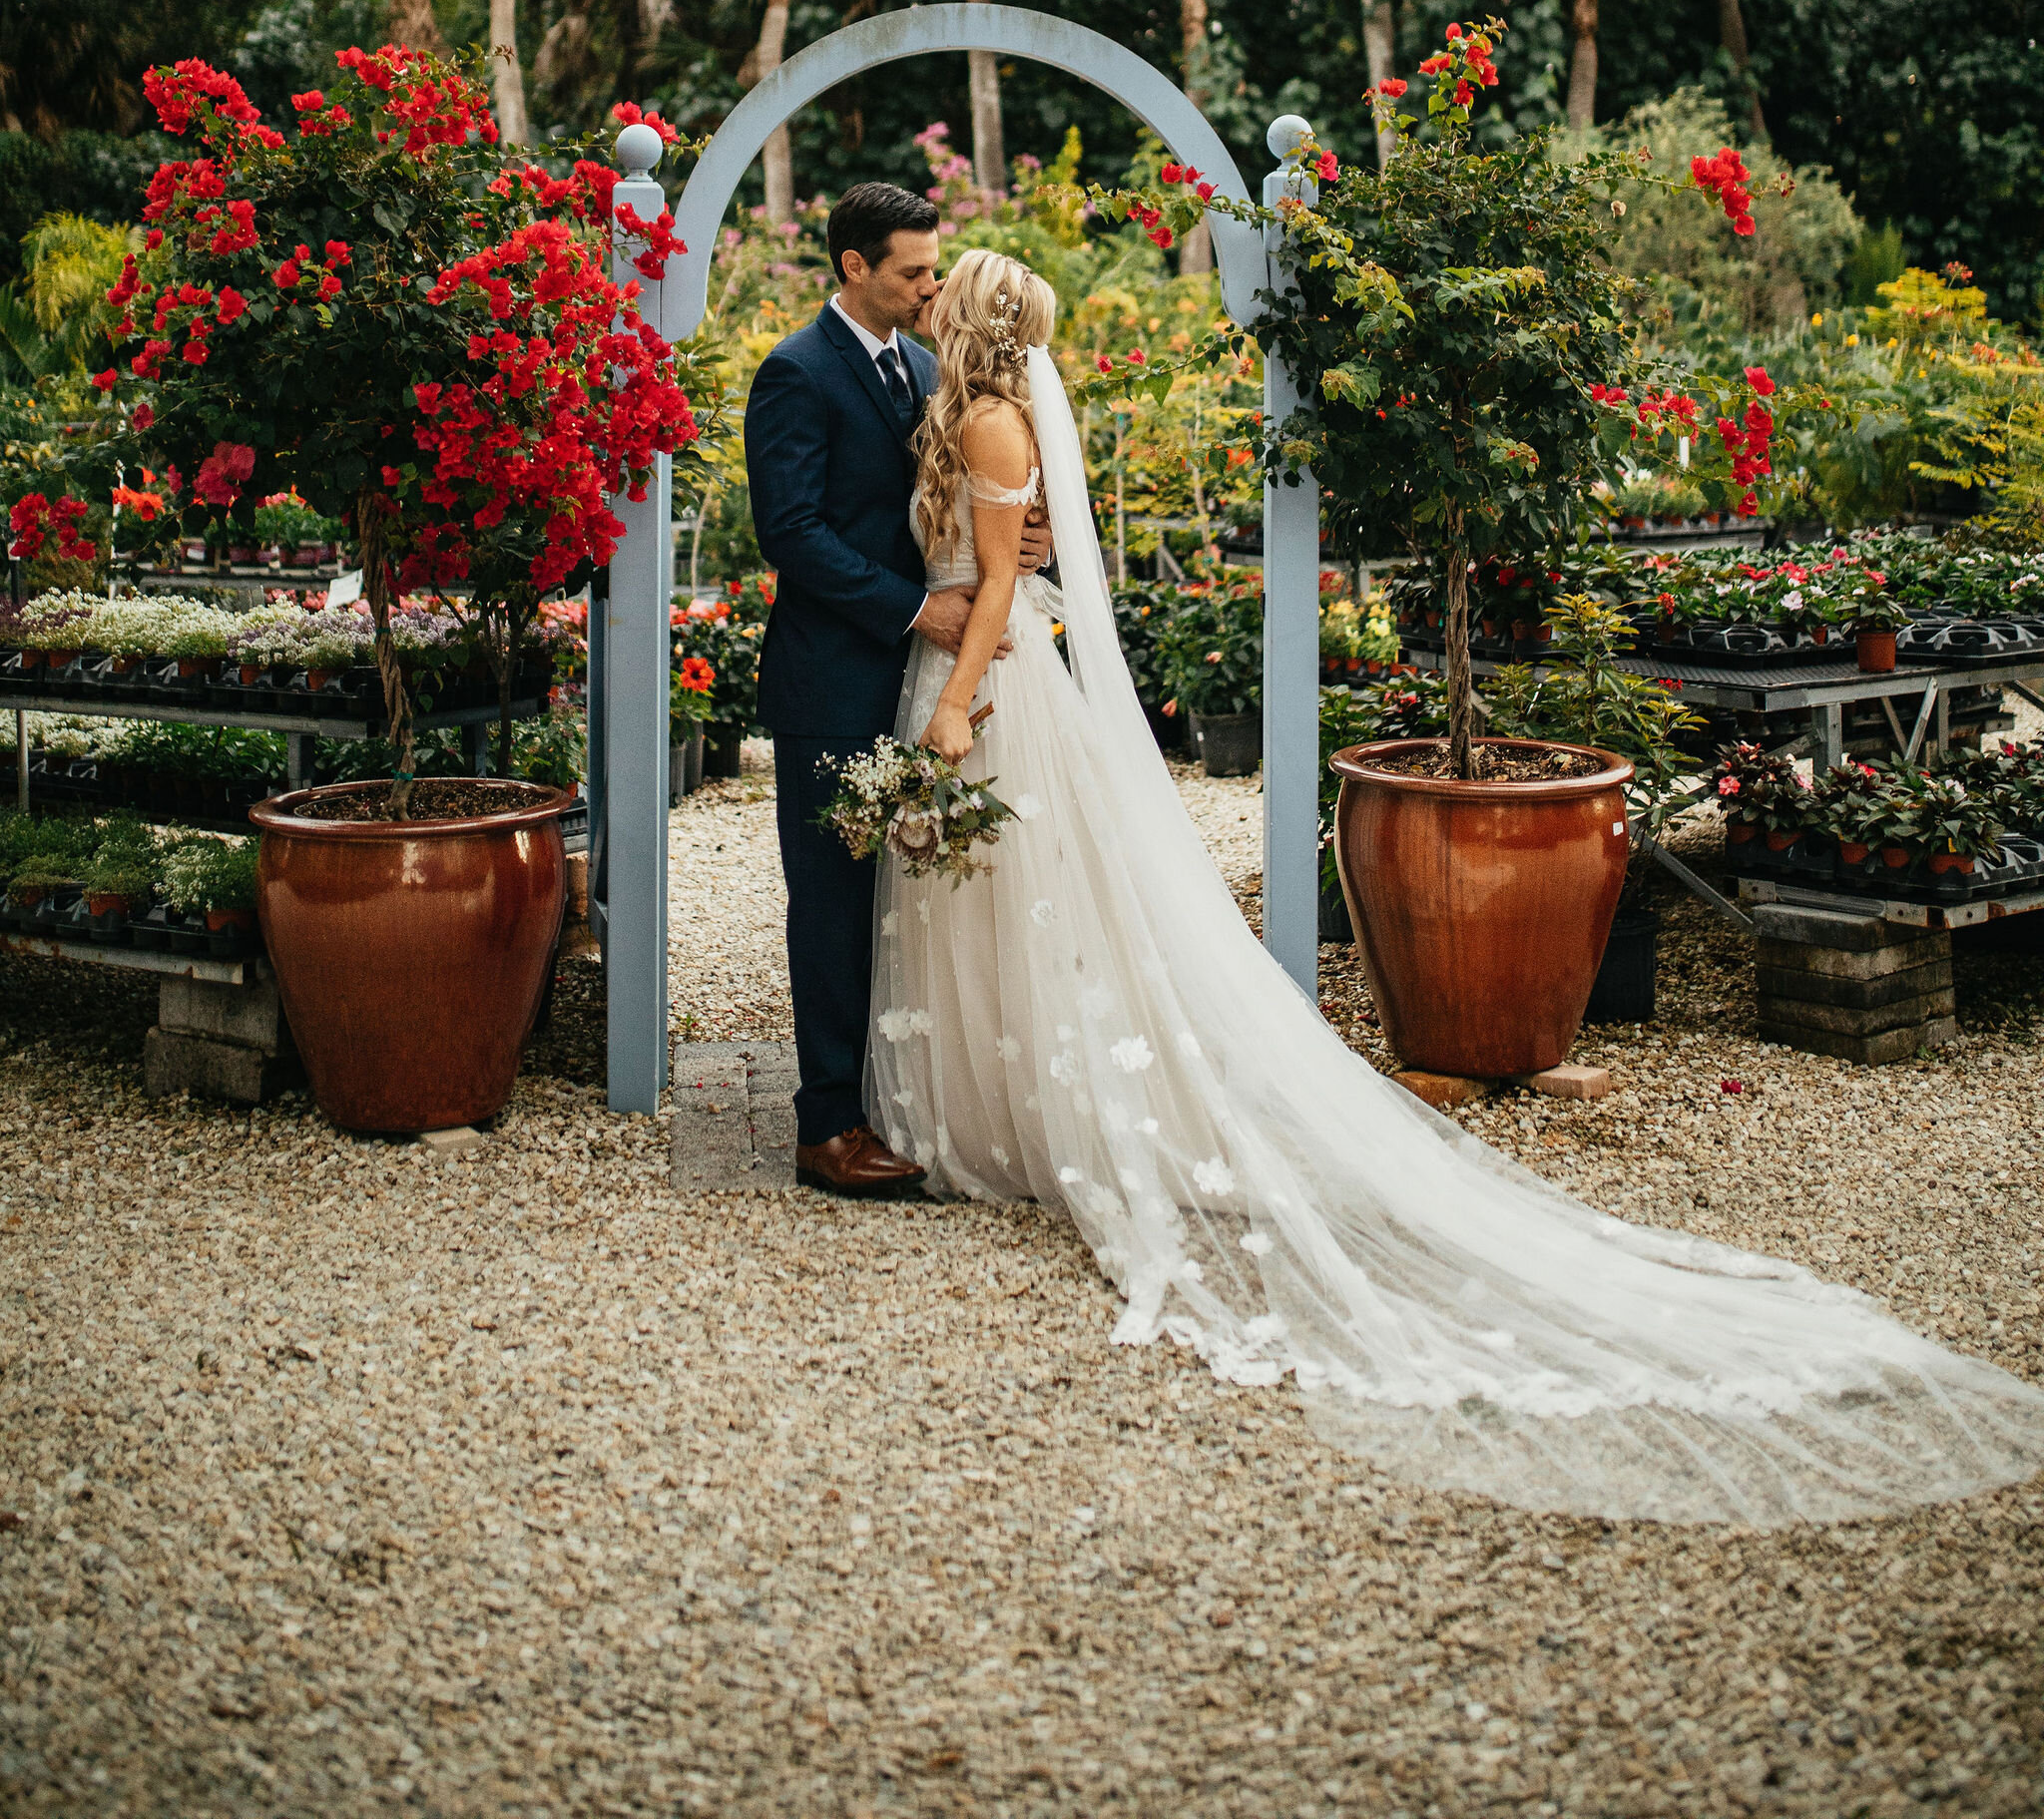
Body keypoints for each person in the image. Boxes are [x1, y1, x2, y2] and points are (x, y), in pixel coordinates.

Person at [868, 243, 2044, 1526]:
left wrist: (957, 705)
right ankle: (991, 1105)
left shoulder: (986, 419)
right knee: (987, 893)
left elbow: (991, 589)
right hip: (963, 675)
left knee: (1014, 884)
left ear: (970, 322)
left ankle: (1014, 1117)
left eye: (942, 292)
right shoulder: (962, 415)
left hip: (983, 689)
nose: (926, 303)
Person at [745, 184, 1051, 1199]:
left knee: (907, 896)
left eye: (934, 270)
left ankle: (897, 1091)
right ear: (852, 269)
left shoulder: (926, 369)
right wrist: (915, 612)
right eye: (912, 272)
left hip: (923, 678)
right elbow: (791, 534)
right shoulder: (793, 372)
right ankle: (824, 1124)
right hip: (833, 676)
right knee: (830, 900)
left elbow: (957, 495)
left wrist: (1017, 541)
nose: (930, 287)